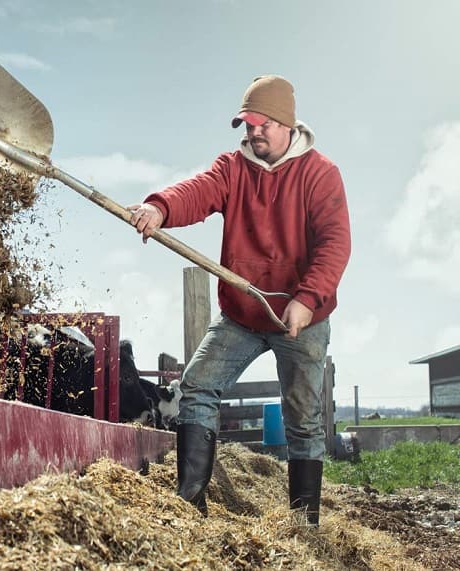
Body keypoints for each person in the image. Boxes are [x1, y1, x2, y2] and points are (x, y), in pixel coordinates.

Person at [129, 75, 351, 526]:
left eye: (262, 124)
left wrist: (307, 299)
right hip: (243, 315)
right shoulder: (233, 167)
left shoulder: (319, 173)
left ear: (285, 123)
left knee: (304, 419)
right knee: (197, 388)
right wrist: (160, 208)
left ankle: (304, 523)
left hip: (300, 318)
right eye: (246, 125)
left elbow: (335, 243)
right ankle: (190, 504)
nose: (252, 133)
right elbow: (197, 191)